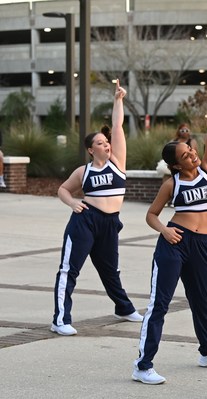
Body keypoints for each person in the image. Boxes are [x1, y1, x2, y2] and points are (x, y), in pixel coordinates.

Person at [133, 85, 207, 385]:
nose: (192, 155)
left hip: (202, 245)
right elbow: (151, 215)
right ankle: (143, 365)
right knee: (160, 303)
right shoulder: (171, 184)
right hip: (174, 244)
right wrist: (164, 230)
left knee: (201, 300)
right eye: (186, 155)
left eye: (191, 150)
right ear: (176, 164)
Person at [50, 80, 142, 336]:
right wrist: (72, 202)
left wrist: (118, 99)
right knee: (70, 269)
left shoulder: (118, 162)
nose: (106, 144)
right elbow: (63, 189)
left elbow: (117, 126)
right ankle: (60, 319)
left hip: (110, 223)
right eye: (100, 143)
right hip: (85, 221)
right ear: (91, 150)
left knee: (110, 270)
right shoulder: (84, 171)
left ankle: (123, 308)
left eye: (106, 142)